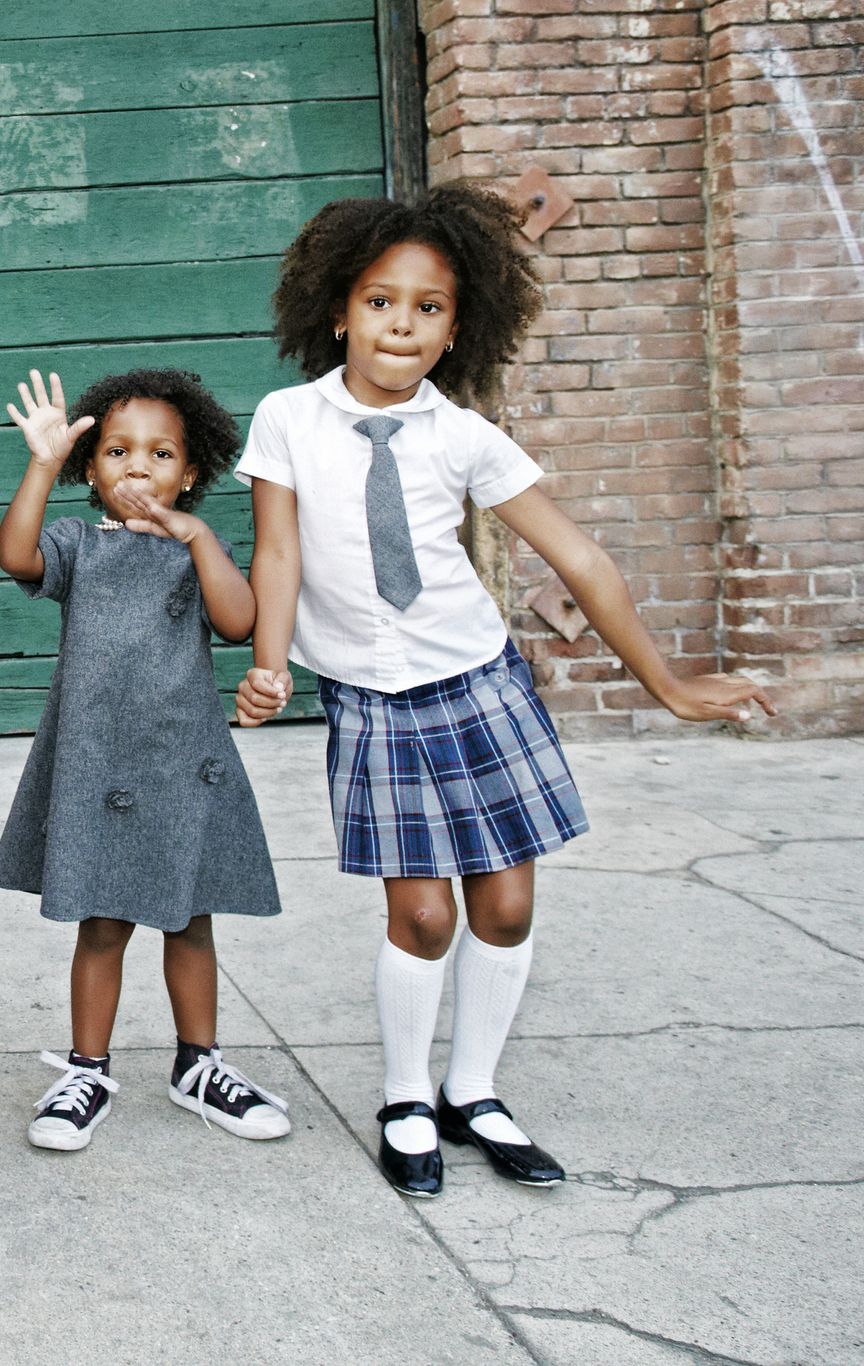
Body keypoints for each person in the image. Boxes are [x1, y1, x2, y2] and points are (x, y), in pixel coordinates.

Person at [234, 184, 775, 1198]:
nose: (401, 323)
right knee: (424, 917)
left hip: (478, 684)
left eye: (427, 307)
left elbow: (577, 556)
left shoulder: (462, 436)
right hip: (370, 696)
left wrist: (665, 682)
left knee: (507, 902)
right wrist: (268, 662)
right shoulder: (287, 420)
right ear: (338, 309)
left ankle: (470, 1091)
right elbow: (276, 550)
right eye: (379, 300)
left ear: (456, 326)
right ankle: (404, 1095)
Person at [0, 368, 291, 1153]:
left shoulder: (200, 547)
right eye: (117, 451)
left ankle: (199, 1064)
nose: (136, 466)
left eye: (160, 454)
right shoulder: (78, 544)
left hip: (181, 761)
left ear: (189, 474)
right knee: (101, 922)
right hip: (96, 765)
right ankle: (86, 1069)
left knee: (190, 921)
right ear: (91, 471)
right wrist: (41, 462)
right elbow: (14, 556)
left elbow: (237, 621)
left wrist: (195, 539)